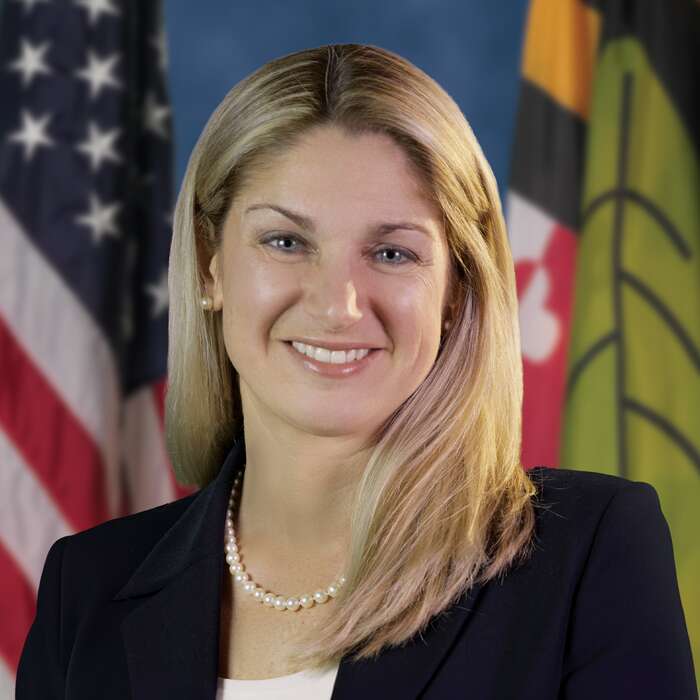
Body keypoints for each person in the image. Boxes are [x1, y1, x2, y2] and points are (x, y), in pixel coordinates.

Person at [15, 43, 697, 700]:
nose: (338, 306)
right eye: (286, 241)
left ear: (457, 287)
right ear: (209, 264)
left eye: (393, 253)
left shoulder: (587, 557)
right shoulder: (88, 589)